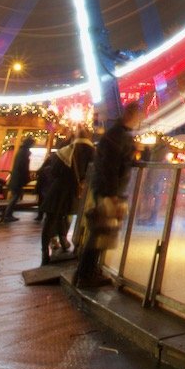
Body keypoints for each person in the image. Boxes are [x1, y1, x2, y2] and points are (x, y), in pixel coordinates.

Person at [73, 102, 140, 288]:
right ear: (130, 114)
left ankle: (86, 272)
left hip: (107, 189)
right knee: (100, 232)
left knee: (102, 232)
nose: (139, 119)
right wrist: (111, 194)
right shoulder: (117, 136)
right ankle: (85, 275)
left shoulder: (118, 134)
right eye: (137, 115)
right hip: (108, 191)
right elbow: (109, 167)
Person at [37, 134, 94, 267]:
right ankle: (74, 248)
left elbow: (54, 172)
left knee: (50, 220)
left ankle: (45, 252)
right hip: (77, 192)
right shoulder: (92, 152)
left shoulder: (65, 152)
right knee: (75, 219)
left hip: (59, 190)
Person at [3, 136, 35, 221]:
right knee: (15, 197)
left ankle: (8, 214)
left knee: (15, 196)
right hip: (18, 178)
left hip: (16, 177)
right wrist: (26, 177)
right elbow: (23, 166)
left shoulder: (21, 151)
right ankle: (7, 215)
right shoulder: (24, 153)